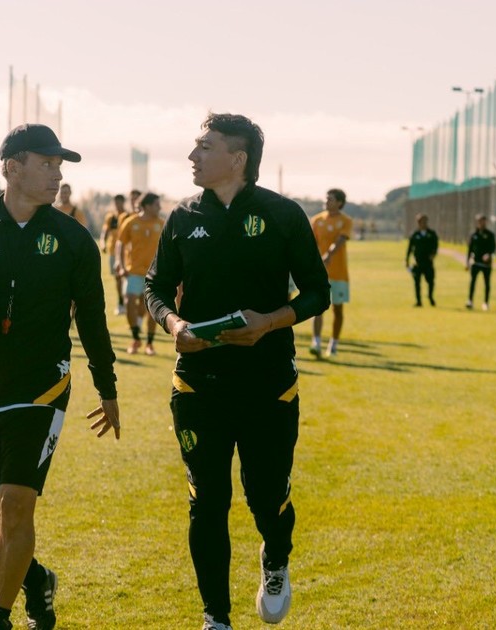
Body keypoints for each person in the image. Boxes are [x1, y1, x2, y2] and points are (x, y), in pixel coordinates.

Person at [0, 123, 120, 630]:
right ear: (12, 168)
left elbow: (93, 319)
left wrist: (107, 388)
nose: (57, 175)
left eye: (60, 166)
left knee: (16, 506)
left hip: (44, 387)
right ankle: (36, 579)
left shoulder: (73, 238)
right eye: (47, 164)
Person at [145, 113, 329, 630]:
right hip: (197, 383)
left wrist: (268, 323)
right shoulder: (182, 217)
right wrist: (174, 323)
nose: (193, 156)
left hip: (268, 384)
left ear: (238, 158)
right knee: (206, 500)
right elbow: (156, 287)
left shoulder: (282, 214)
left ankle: (275, 557)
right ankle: (216, 618)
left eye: (205, 147)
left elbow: (317, 292)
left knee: (266, 497)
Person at [113, 192, 165, 354]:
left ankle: (149, 344)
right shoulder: (131, 222)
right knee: (129, 302)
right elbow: (120, 243)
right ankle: (136, 339)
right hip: (134, 271)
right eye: (157, 205)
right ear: (147, 206)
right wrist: (120, 264)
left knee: (151, 308)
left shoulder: (162, 223)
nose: (160, 207)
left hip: (155, 273)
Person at [310, 188, 353, 357]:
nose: (326, 201)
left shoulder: (346, 221)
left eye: (331, 199)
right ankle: (316, 342)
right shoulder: (317, 220)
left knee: (338, 310)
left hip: (339, 273)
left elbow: (341, 240)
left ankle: (333, 344)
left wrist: (328, 255)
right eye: (326, 198)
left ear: (340, 203)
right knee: (317, 308)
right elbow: (311, 244)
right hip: (319, 273)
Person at [100, 193, 129, 315]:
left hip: (126, 252)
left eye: (120, 202)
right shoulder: (111, 217)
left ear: (123, 202)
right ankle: (121, 302)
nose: (118, 205)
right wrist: (103, 243)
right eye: (116, 202)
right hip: (113, 251)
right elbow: (104, 232)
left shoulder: (128, 216)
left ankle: (127, 302)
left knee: (126, 277)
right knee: (117, 278)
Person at [404, 213, 439, 307]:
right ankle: (418, 301)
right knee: (417, 282)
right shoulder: (415, 235)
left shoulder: (432, 234)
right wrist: (407, 260)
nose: (423, 223)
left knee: (430, 281)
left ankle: (430, 297)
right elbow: (410, 248)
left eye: (424, 221)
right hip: (418, 262)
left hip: (428, 262)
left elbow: (436, 246)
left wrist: (433, 254)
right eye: (421, 222)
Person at [465, 214, 495, 310]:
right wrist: (467, 262)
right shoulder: (474, 235)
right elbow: (470, 249)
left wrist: (488, 255)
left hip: (486, 264)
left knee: (487, 283)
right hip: (476, 262)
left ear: (486, 222)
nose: (481, 223)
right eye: (479, 221)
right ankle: (470, 301)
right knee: (473, 282)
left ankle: (486, 303)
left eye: (483, 221)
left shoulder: (490, 235)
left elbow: (493, 247)